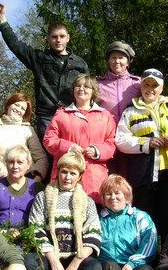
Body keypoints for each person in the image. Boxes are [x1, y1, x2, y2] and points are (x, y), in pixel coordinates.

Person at [115, 68, 168, 241]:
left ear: (161, 88)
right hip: (142, 176)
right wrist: (146, 143)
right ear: (141, 86)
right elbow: (120, 140)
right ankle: (146, 257)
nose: (150, 89)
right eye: (146, 84)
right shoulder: (131, 110)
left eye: (155, 85)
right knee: (144, 222)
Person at [0, 3, 89, 140]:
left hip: (72, 115)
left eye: (62, 36)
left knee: (73, 151)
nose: (58, 40)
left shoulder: (80, 64)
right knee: (49, 151)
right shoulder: (39, 58)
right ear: (47, 38)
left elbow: (89, 91)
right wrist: (2, 19)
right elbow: (16, 45)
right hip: (47, 116)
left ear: (68, 37)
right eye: (54, 37)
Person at [97, 41, 168, 176]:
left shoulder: (138, 82)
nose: (117, 61)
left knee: (131, 179)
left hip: (132, 139)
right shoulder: (98, 84)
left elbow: (156, 93)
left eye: (121, 58)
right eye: (113, 57)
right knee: (107, 179)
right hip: (106, 140)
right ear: (108, 60)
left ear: (128, 62)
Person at [43, 74, 116, 204]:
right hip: (66, 175)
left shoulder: (105, 116)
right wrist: (68, 147)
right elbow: (49, 139)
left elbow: (112, 143)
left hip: (94, 177)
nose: (81, 89)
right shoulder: (61, 114)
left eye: (86, 86)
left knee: (92, 212)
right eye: (78, 86)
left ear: (93, 91)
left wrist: (97, 151)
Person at [0, 92, 48, 184]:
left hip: (28, 179)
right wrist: (9, 177)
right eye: (16, 105)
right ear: (9, 105)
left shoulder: (27, 129)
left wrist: (37, 179)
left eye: (23, 108)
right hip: (3, 179)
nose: (18, 109)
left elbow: (41, 158)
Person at [0, 145, 45, 235]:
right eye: (11, 162)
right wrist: (1, 232)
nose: (15, 166)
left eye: (20, 162)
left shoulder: (37, 187)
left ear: (28, 165)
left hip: (27, 237)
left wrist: (25, 235)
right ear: (6, 163)